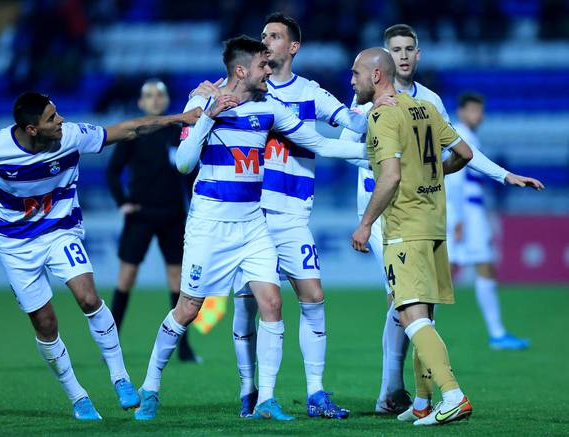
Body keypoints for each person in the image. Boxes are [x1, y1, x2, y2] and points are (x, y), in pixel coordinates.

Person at [134, 35, 367, 422]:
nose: (268, 70)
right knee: (188, 308)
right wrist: (208, 116)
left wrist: (374, 151)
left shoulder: (270, 108)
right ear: (241, 69)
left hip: (252, 224)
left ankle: (266, 400)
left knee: (272, 304)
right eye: (262, 65)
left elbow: (320, 145)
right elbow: (183, 163)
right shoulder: (202, 102)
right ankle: (151, 384)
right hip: (210, 224)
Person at [191, 13, 393, 419]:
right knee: (248, 304)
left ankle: (316, 392)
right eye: (264, 36)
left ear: (293, 47)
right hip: (249, 213)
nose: (266, 41)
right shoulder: (248, 91)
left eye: (275, 36)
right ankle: (250, 390)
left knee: (314, 297)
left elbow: (348, 122)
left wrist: (383, 114)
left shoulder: (311, 94)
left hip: (292, 213)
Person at [341, 23, 544, 415]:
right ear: (387, 58)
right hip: (411, 213)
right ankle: (411, 397)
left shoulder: (411, 104)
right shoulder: (392, 106)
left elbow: (405, 167)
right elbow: (459, 152)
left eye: (408, 49)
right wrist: (416, 169)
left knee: (408, 309)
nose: (402, 55)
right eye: (395, 49)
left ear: (416, 56)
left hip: (400, 214)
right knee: (412, 308)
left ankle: (431, 394)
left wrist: (501, 174)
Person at [0, 91, 200, 420]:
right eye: (51, 118)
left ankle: (120, 378)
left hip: (61, 231)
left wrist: (177, 119)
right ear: (32, 129)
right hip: (16, 244)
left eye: (57, 113)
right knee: (45, 324)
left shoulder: (71, 136)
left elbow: (130, 129)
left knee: (88, 297)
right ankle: (78, 397)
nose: (60, 121)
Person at [350, 48, 475, 426]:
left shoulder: (382, 116)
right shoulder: (425, 108)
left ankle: (452, 394)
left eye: (355, 73)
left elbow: (389, 177)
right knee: (425, 315)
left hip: (406, 227)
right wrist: (431, 177)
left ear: (376, 76)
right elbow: (464, 153)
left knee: (409, 314)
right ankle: (422, 401)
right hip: (434, 223)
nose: (351, 80)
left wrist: (366, 223)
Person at [106, 79, 199, 362]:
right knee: (126, 277)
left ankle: (183, 347)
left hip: (173, 214)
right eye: (149, 95)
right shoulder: (135, 132)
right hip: (141, 215)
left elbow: (191, 173)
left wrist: (195, 206)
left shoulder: (180, 132)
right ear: (141, 103)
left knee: (177, 280)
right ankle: (111, 346)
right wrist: (123, 203)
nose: (155, 99)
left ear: (167, 100)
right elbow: (112, 172)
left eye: (160, 95)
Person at [445, 93, 529, 350]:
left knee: (452, 271)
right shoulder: (461, 136)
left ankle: (415, 324)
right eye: (472, 110)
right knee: (461, 271)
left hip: (468, 212)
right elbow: (454, 180)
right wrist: (458, 218)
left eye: (480, 111)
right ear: (461, 112)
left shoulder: (469, 135)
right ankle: (496, 333)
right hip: (466, 214)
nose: (477, 115)